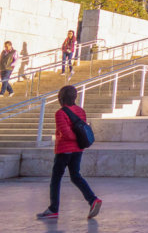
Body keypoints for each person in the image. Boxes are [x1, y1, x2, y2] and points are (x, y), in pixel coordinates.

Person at [36, 85, 102, 221]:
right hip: (78, 149)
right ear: (75, 97)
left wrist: (74, 138)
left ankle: (53, 209)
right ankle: (93, 200)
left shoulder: (60, 113)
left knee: (56, 179)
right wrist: (78, 140)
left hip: (64, 150)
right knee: (76, 176)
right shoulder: (81, 111)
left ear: (61, 98)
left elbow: (66, 133)